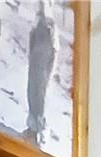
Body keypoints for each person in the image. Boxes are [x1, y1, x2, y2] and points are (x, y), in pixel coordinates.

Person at [26, 0, 59, 146]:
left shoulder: (51, 27)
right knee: (31, 93)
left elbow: (55, 50)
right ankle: (32, 129)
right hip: (34, 63)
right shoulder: (37, 21)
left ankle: (40, 133)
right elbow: (32, 39)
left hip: (44, 68)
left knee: (41, 98)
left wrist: (50, 71)